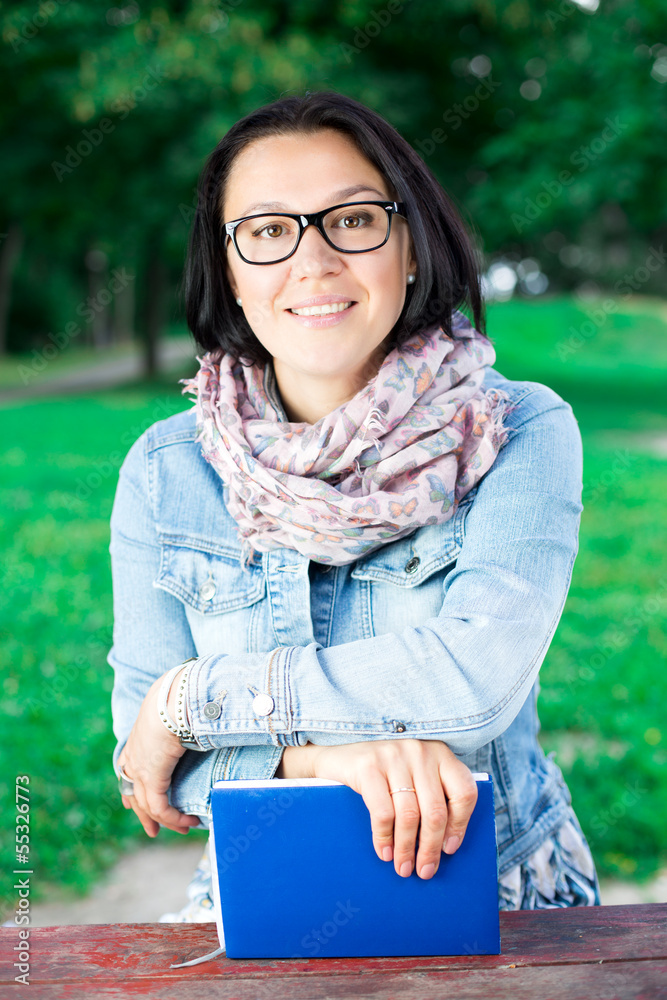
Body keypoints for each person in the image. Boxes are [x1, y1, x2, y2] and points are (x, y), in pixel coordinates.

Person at [108, 90, 600, 923]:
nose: (313, 261)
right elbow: (145, 762)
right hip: (254, 897)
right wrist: (323, 762)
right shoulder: (166, 469)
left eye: (352, 219)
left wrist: (192, 701)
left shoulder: (514, 429)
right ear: (229, 271)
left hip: (501, 899)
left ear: (409, 245)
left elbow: (473, 681)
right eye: (267, 231)